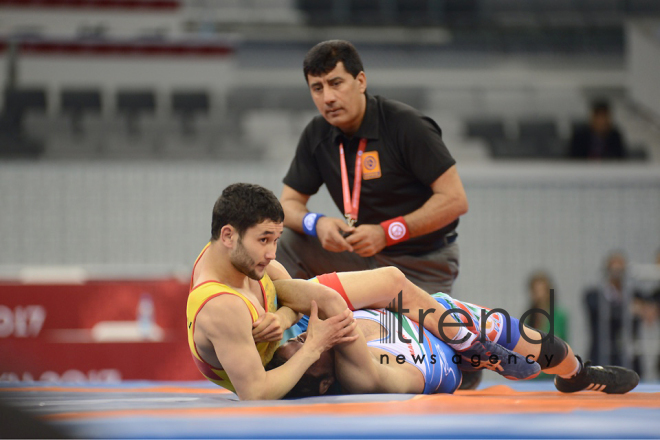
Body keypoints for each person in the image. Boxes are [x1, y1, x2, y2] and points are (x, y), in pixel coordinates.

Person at [277, 39, 468, 296]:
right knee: (287, 241)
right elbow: (287, 205)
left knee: (395, 332)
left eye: (336, 83)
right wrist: (316, 223)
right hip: (359, 257)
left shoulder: (405, 125)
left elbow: (455, 200)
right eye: (317, 88)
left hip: (423, 262)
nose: (328, 98)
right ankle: (286, 328)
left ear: (361, 81)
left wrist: (386, 233)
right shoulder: (316, 134)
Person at [270, 271, 640, 397]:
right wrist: (461, 350)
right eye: (302, 351)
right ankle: (474, 358)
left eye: (294, 341)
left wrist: (286, 310)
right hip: (442, 353)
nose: (301, 340)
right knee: (540, 351)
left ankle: (576, 375)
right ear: (322, 383)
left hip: (434, 312)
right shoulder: (364, 376)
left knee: (551, 351)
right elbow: (333, 304)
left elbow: (395, 283)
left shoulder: (306, 328)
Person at [186, 183, 360, 400]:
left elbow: (298, 305)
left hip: (298, 335)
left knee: (388, 281)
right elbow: (255, 394)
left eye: (276, 240)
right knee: (344, 304)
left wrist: (282, 319)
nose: (272, 254)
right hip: (295, 362)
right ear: (228, 236)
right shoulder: (221, 306)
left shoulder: (240, 258)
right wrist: (314, 347)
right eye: (264, 240)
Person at [584, 251, 645, 374]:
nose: (617, 273)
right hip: (601, 357)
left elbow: (651, 304)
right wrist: (628, 309)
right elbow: (605, 312)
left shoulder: (635, 295)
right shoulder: (594, 296)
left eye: (620, 270)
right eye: (614, 269)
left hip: (629, 359)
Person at [524, 271, 569, 342]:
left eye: (541, 291)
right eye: (535, 291)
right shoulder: (529, 317)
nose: (539, 295)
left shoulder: (559, 316)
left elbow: (563, 340)